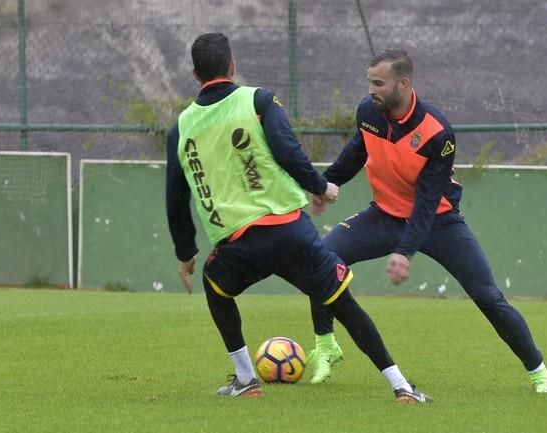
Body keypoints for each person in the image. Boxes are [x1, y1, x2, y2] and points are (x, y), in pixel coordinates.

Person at [165, 33, 432, 403]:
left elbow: (176, 195)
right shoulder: (258, 99)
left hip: (237, 243)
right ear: (233, 66)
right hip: (290, 231)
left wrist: (185, 252)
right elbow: (287, 150)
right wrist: (320, 186)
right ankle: (401, 386)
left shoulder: (181, 127)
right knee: (343, 304)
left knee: (216, 288)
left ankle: (246, 379)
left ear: (195, 74)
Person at [306, 48, 547, 394]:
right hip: (384, 215)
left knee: (487, 295)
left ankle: (539, 372)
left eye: (379, 83)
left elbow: (427, 202)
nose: (371, 90)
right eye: (369, 82)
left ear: (404, 84)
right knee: (320, 259)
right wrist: (325, 185)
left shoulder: (437, 133)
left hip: (438, 222)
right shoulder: (369, 111)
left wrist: (404, 252)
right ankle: (325, 346)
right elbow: (356, 152)